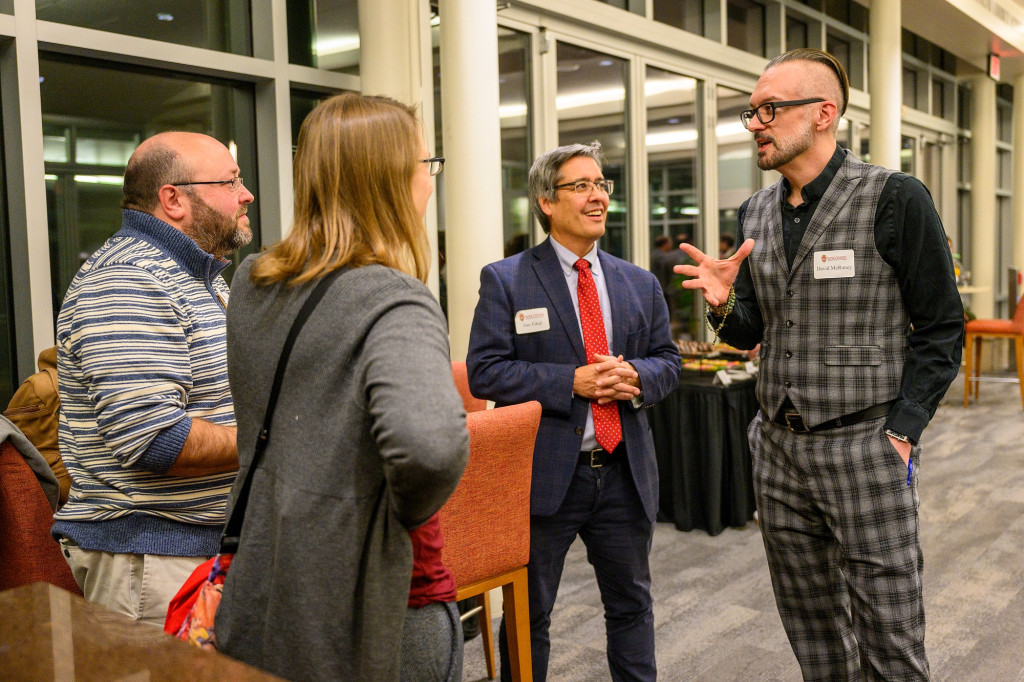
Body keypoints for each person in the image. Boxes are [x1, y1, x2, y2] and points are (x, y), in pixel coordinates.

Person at [675, 49, 963, 680]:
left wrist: (904, 430)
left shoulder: (894, 197)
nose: (756, 123)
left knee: (890, 636)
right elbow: (751, 330)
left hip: (866, 444)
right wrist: (724, 305)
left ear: (825, 113)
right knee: (811, 630)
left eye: (770, 109)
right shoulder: (755, 213)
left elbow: (941, 326)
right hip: (777, 448)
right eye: (752, 112)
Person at [215, 93, 469, 682]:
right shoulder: (395, 300)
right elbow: (431, 447)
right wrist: (394, 511)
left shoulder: (255, 281)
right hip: (377, 603)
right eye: (425, 167)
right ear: (389, 181)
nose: (430, 184)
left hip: (270, 582)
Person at [467, 141, 681, 682]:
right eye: (580, 186)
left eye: (601, 185)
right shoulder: (507, 279)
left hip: (623, 474)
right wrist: (571, 381)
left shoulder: (640, 283)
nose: (597, 197)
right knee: (528, 612)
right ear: (545, 201)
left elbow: (668, 363)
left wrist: (636, 376)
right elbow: (485, 372)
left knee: (632, 607)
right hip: (544, 477)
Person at [52, 131, 253, 626]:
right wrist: (273, 438)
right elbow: (154, 440)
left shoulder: (195, 276)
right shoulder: (128, 279)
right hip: (150, 563)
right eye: (229, 181)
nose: (245, 194)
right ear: (174, 199)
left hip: (191, 551)